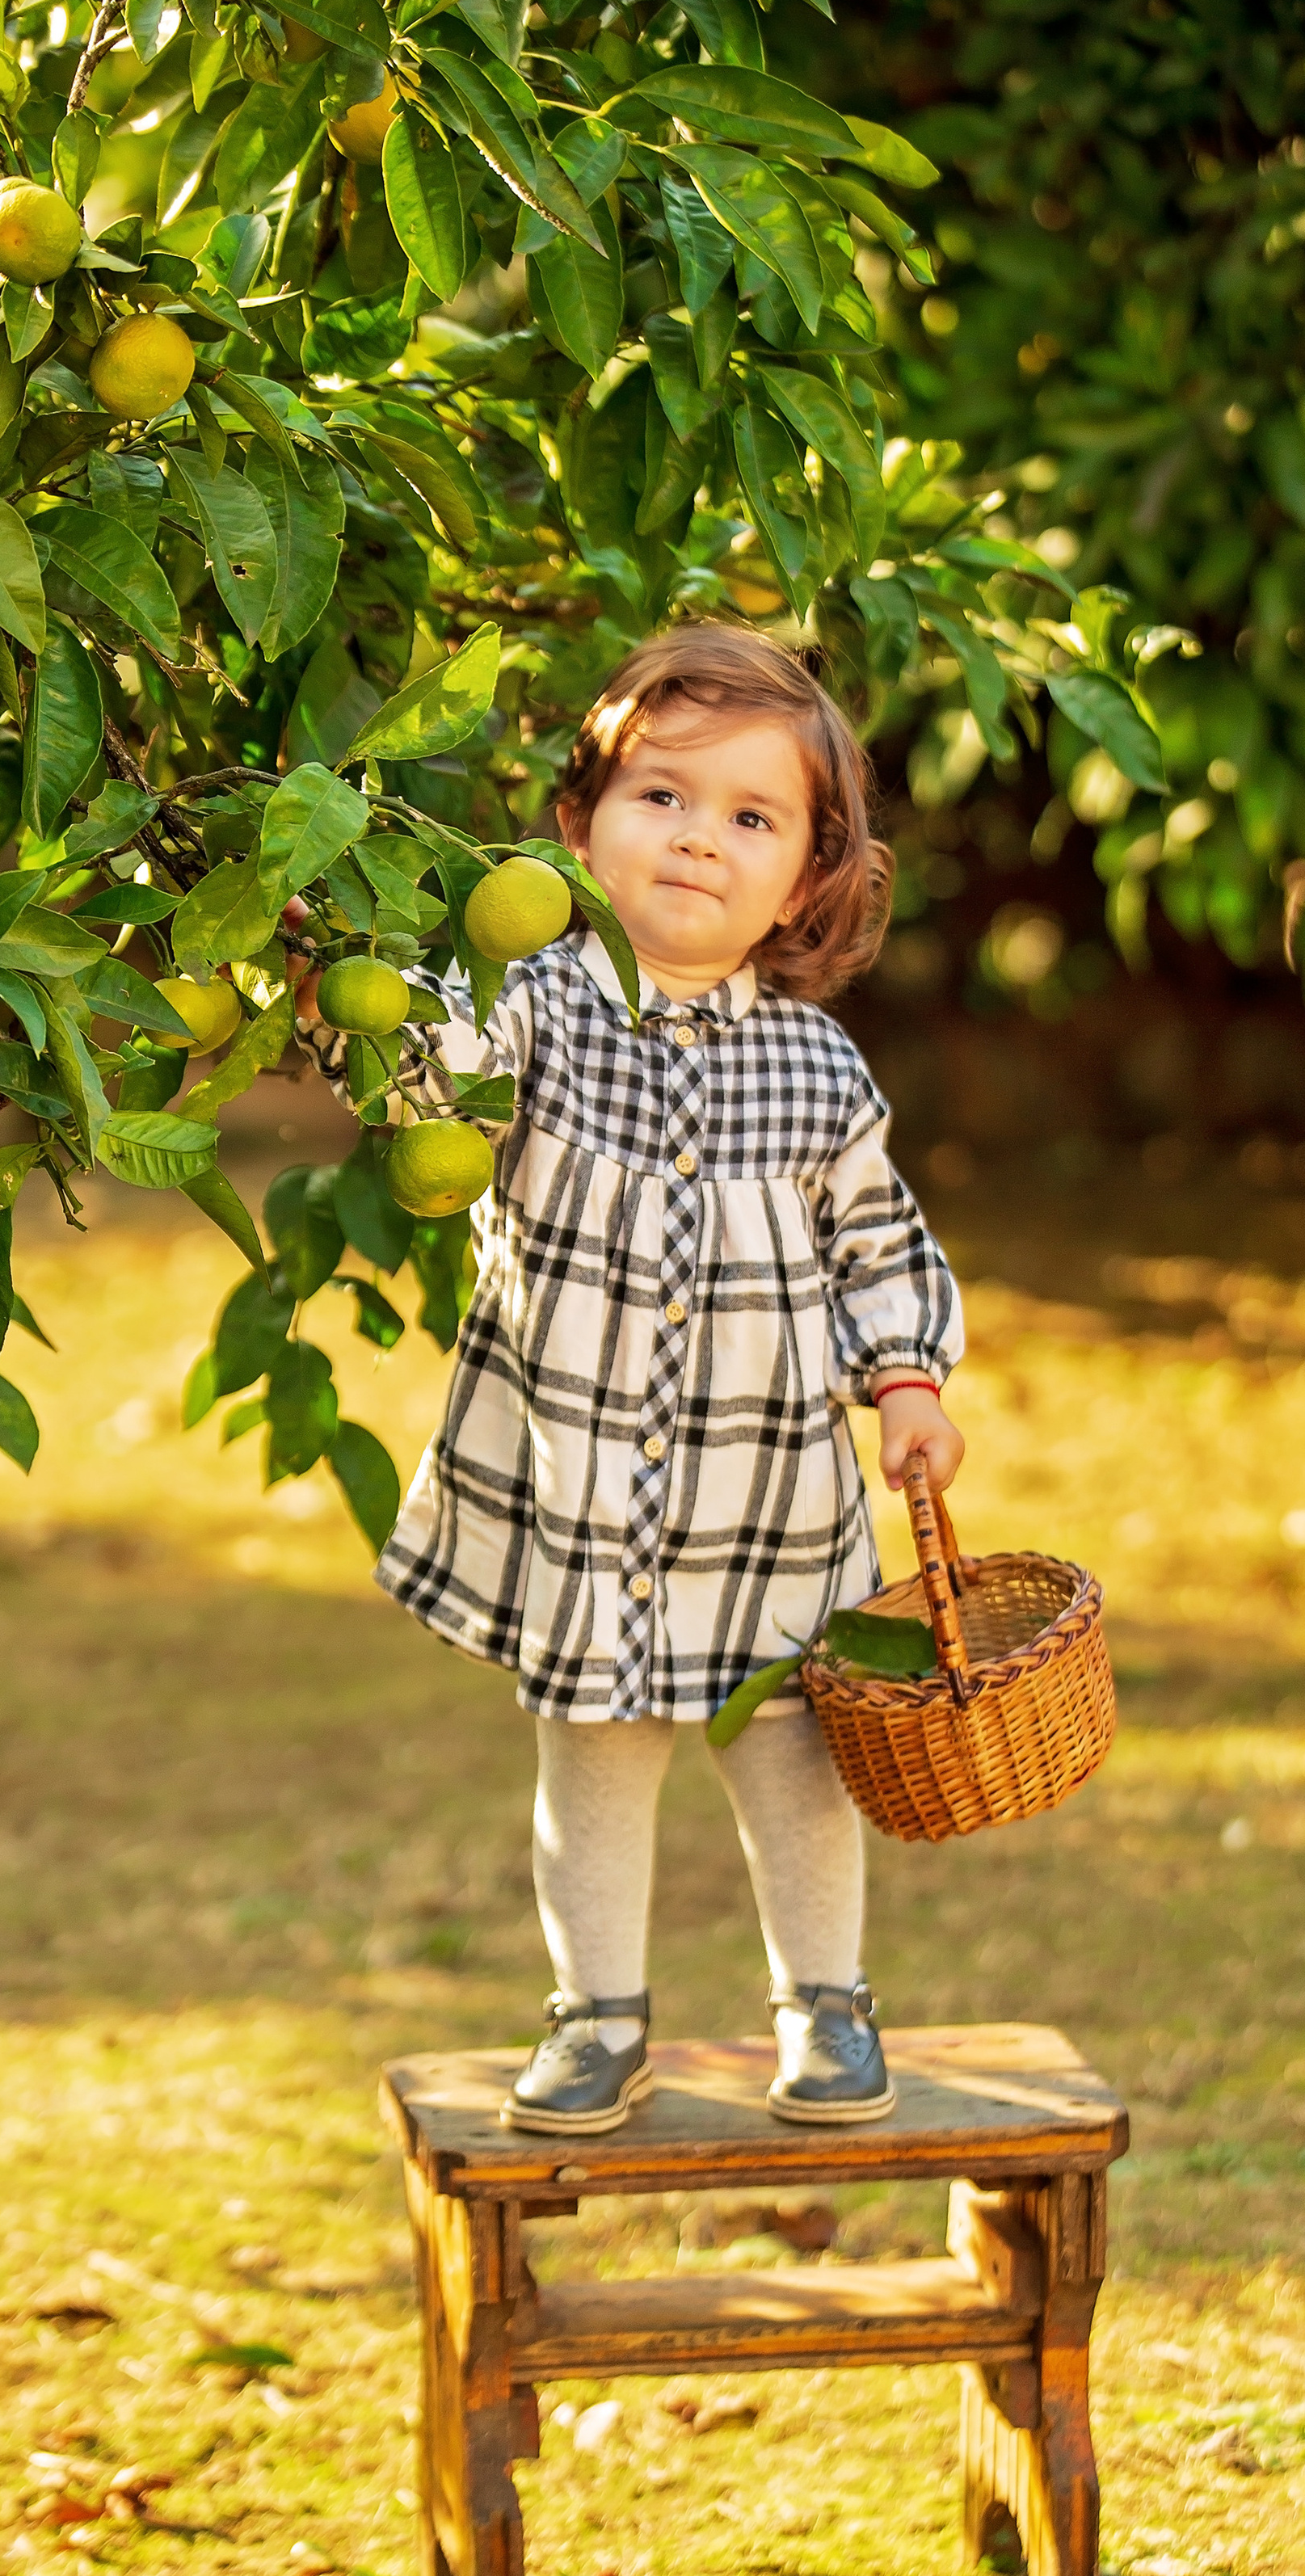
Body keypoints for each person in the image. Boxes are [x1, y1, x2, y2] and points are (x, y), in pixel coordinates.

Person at [298, 623, 963, 2133]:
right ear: (578, 826)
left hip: (771, 1499)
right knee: (593, 1762)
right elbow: (427, 1082)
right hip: (584, 1486)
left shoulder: (816, 1067)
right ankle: (596, 2013)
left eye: (750, 818)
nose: (697, 841)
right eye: (661, 797)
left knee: (794, 1759)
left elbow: (877, 1239)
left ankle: (827, 2004)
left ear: (806, 879)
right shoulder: (535, 1007)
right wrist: (347, 964)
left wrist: (910, 1382)